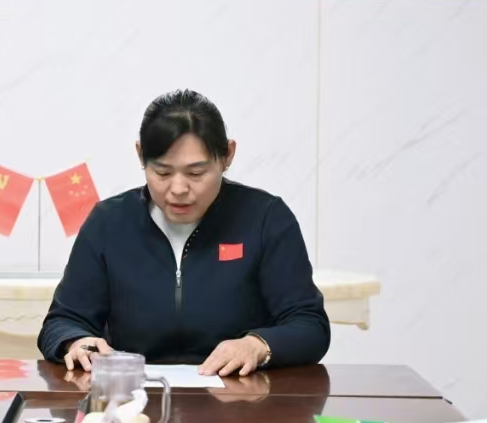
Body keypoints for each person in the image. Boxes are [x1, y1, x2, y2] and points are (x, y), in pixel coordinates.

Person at [38, 90, 329, 376]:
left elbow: (309, 325)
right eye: (162, 173)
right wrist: (76, 342)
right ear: (141, 155)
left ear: (227, 155)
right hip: (134, 396)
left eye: (196, 173)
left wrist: (257, 345)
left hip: (240, 397)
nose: (178, 189)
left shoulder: (265, 218)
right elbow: (62, 322)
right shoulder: (109, 223)